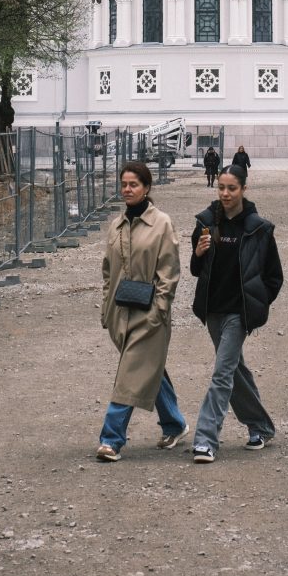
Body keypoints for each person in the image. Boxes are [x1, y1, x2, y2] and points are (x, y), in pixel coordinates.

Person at [188, 164, 283, 463]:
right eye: (221, 188)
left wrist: (257, 303)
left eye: (232, 188)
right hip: (212, 310)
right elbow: (195, 270)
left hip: (238, 314)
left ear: (244, 189)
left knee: (222, 373)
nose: (225, 193)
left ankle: (205, 439)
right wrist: (199, 253)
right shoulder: (205, 223)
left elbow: (274, 276)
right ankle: (261, 426)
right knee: (234, 370)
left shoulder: (259, 229)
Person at [97, 160, 188, 461]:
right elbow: (108, 270)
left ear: (147, 188)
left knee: (129, 373)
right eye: (124, 184)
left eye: (133, 184)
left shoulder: (162, 223)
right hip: (120, 313)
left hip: (150, 314)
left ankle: (111, 439)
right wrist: (106, 308)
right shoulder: (117, 224)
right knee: (149, 369)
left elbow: (169, 271)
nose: (127, 189)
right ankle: (174, 423)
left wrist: (160, 310)